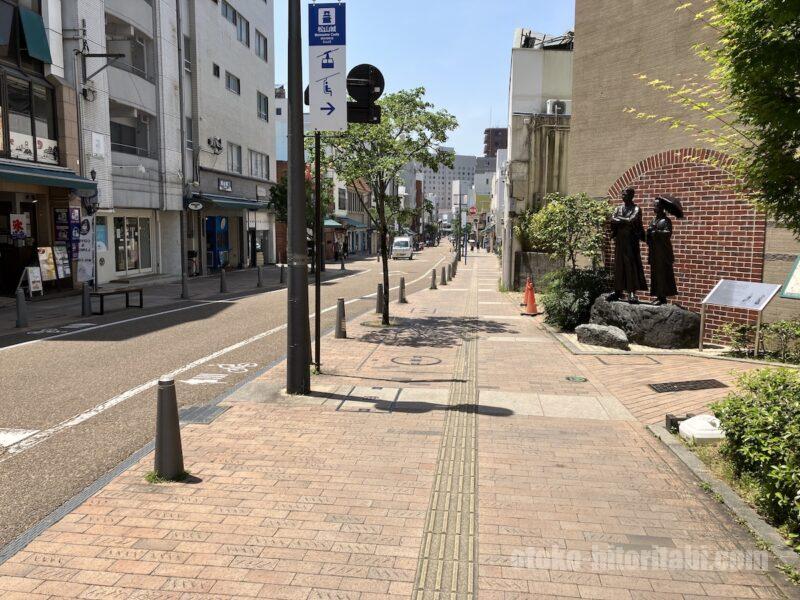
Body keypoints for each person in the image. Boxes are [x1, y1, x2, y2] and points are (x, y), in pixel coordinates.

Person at [608, 187, 647, 303]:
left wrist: (619, 220)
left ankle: (631, 292)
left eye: (625, 194)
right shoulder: (618, 208)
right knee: (619, 265)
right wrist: (622, 221)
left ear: (631, 196)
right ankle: (617, 291)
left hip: (631, 241)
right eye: (622, 194)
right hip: (620, 241)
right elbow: (612, 219)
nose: (623, 196)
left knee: (631, 266)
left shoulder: (636, 209)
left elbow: (632, 220)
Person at [646, 195, 684, 305]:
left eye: (656, 206)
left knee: (662, 274)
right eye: (654, 205)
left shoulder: (666, 221)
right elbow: (648, 236)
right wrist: (648, 233)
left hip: (663, 253)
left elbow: (667, 234)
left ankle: (662, 297)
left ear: (661, 207)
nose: (654, 207)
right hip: (654, 252)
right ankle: (658, 295)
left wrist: (656, 232)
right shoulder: (653, 220)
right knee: (655, 275)